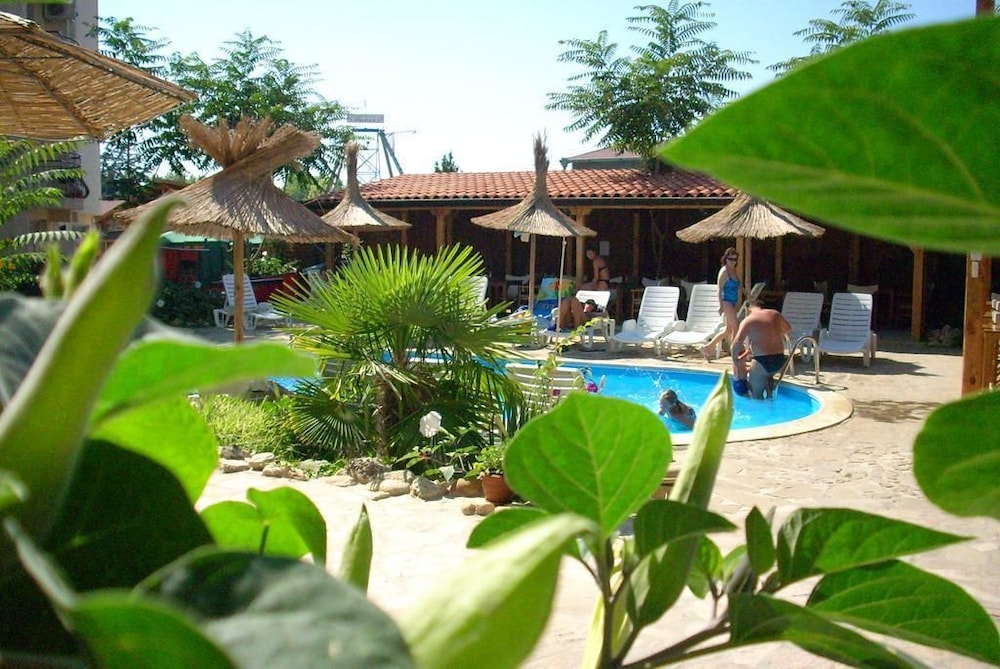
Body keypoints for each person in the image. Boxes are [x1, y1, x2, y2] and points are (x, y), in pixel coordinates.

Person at [731, 300, 792, 399]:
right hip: (780, 361)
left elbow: (737, 341)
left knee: (755, 396)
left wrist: (735, 360)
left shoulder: (748, 320)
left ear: (749, 309)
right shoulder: (775, 314)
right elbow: (788, 328)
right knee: (768, 387)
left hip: (761, 363)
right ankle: (769, 390)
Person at [702, 247, 741, 362]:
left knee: (728, 330)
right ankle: (735, 353)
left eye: (735, 259)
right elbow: (719, 289)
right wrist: (720, 306)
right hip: (726, 301)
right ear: (726, 259)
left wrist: (747, 293)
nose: (733, 262)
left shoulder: (734, 271)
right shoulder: (724, 272)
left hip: (733, 301)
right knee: (736, 327)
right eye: (730, 259)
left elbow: (738, 286)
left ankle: (707, 348)